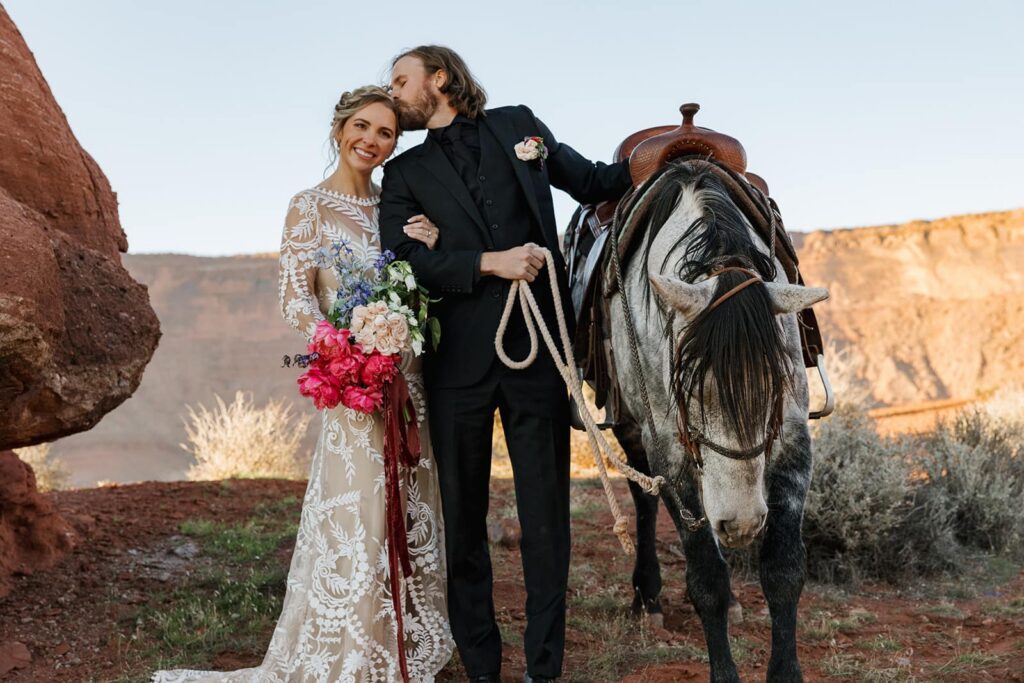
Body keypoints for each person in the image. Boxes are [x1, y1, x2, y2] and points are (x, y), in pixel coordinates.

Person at [152, 85, 453, 683]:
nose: (371, 140)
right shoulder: (308, 206)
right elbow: (296, 300)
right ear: (340, 130)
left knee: (410, 504)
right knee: (360, 507)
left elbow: (421, 284)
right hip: (355, 384)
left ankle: (405, 645)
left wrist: (432, 246)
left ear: (396, 144)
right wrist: (343, 347)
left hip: (411, 383)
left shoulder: (400, 204)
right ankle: (348, 650)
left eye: (386, 132)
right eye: (362, 127)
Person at [379, 46, 632, 683]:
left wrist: (669, 149)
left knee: (547, 522)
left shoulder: (519, 124)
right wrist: (490, 262)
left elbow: (596, 182)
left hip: (539, 353)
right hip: (456, 365)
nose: (394, 91)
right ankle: (483, 669)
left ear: (439, 77)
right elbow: (403, 259)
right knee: (463, 524)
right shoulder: (404, 172)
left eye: (401, 79)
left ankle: (544, 670)